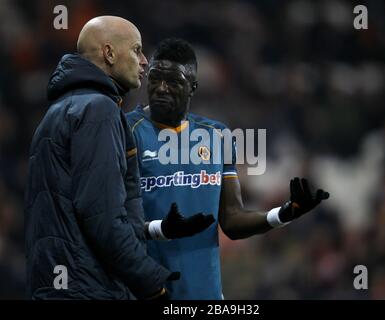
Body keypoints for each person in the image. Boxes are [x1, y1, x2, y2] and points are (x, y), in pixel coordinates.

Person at [24, 17, 213, 300]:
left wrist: (157, 229)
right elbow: (103, 219)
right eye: (137, 50)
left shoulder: (60, 112)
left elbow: (81, 212)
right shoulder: (99, 110)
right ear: (109, 53)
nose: (145, 61)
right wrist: (153, 284)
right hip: (88, 289)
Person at [126, 38, 330, 299]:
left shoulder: (217, 135)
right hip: (146, 293)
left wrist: (283, 214)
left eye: (173, 81)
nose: (161, 89)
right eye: (154, 79)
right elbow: (113, 222)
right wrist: (160, 229)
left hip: (207, 295)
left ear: (192, 87)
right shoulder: (125, 131)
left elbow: (232, 220)